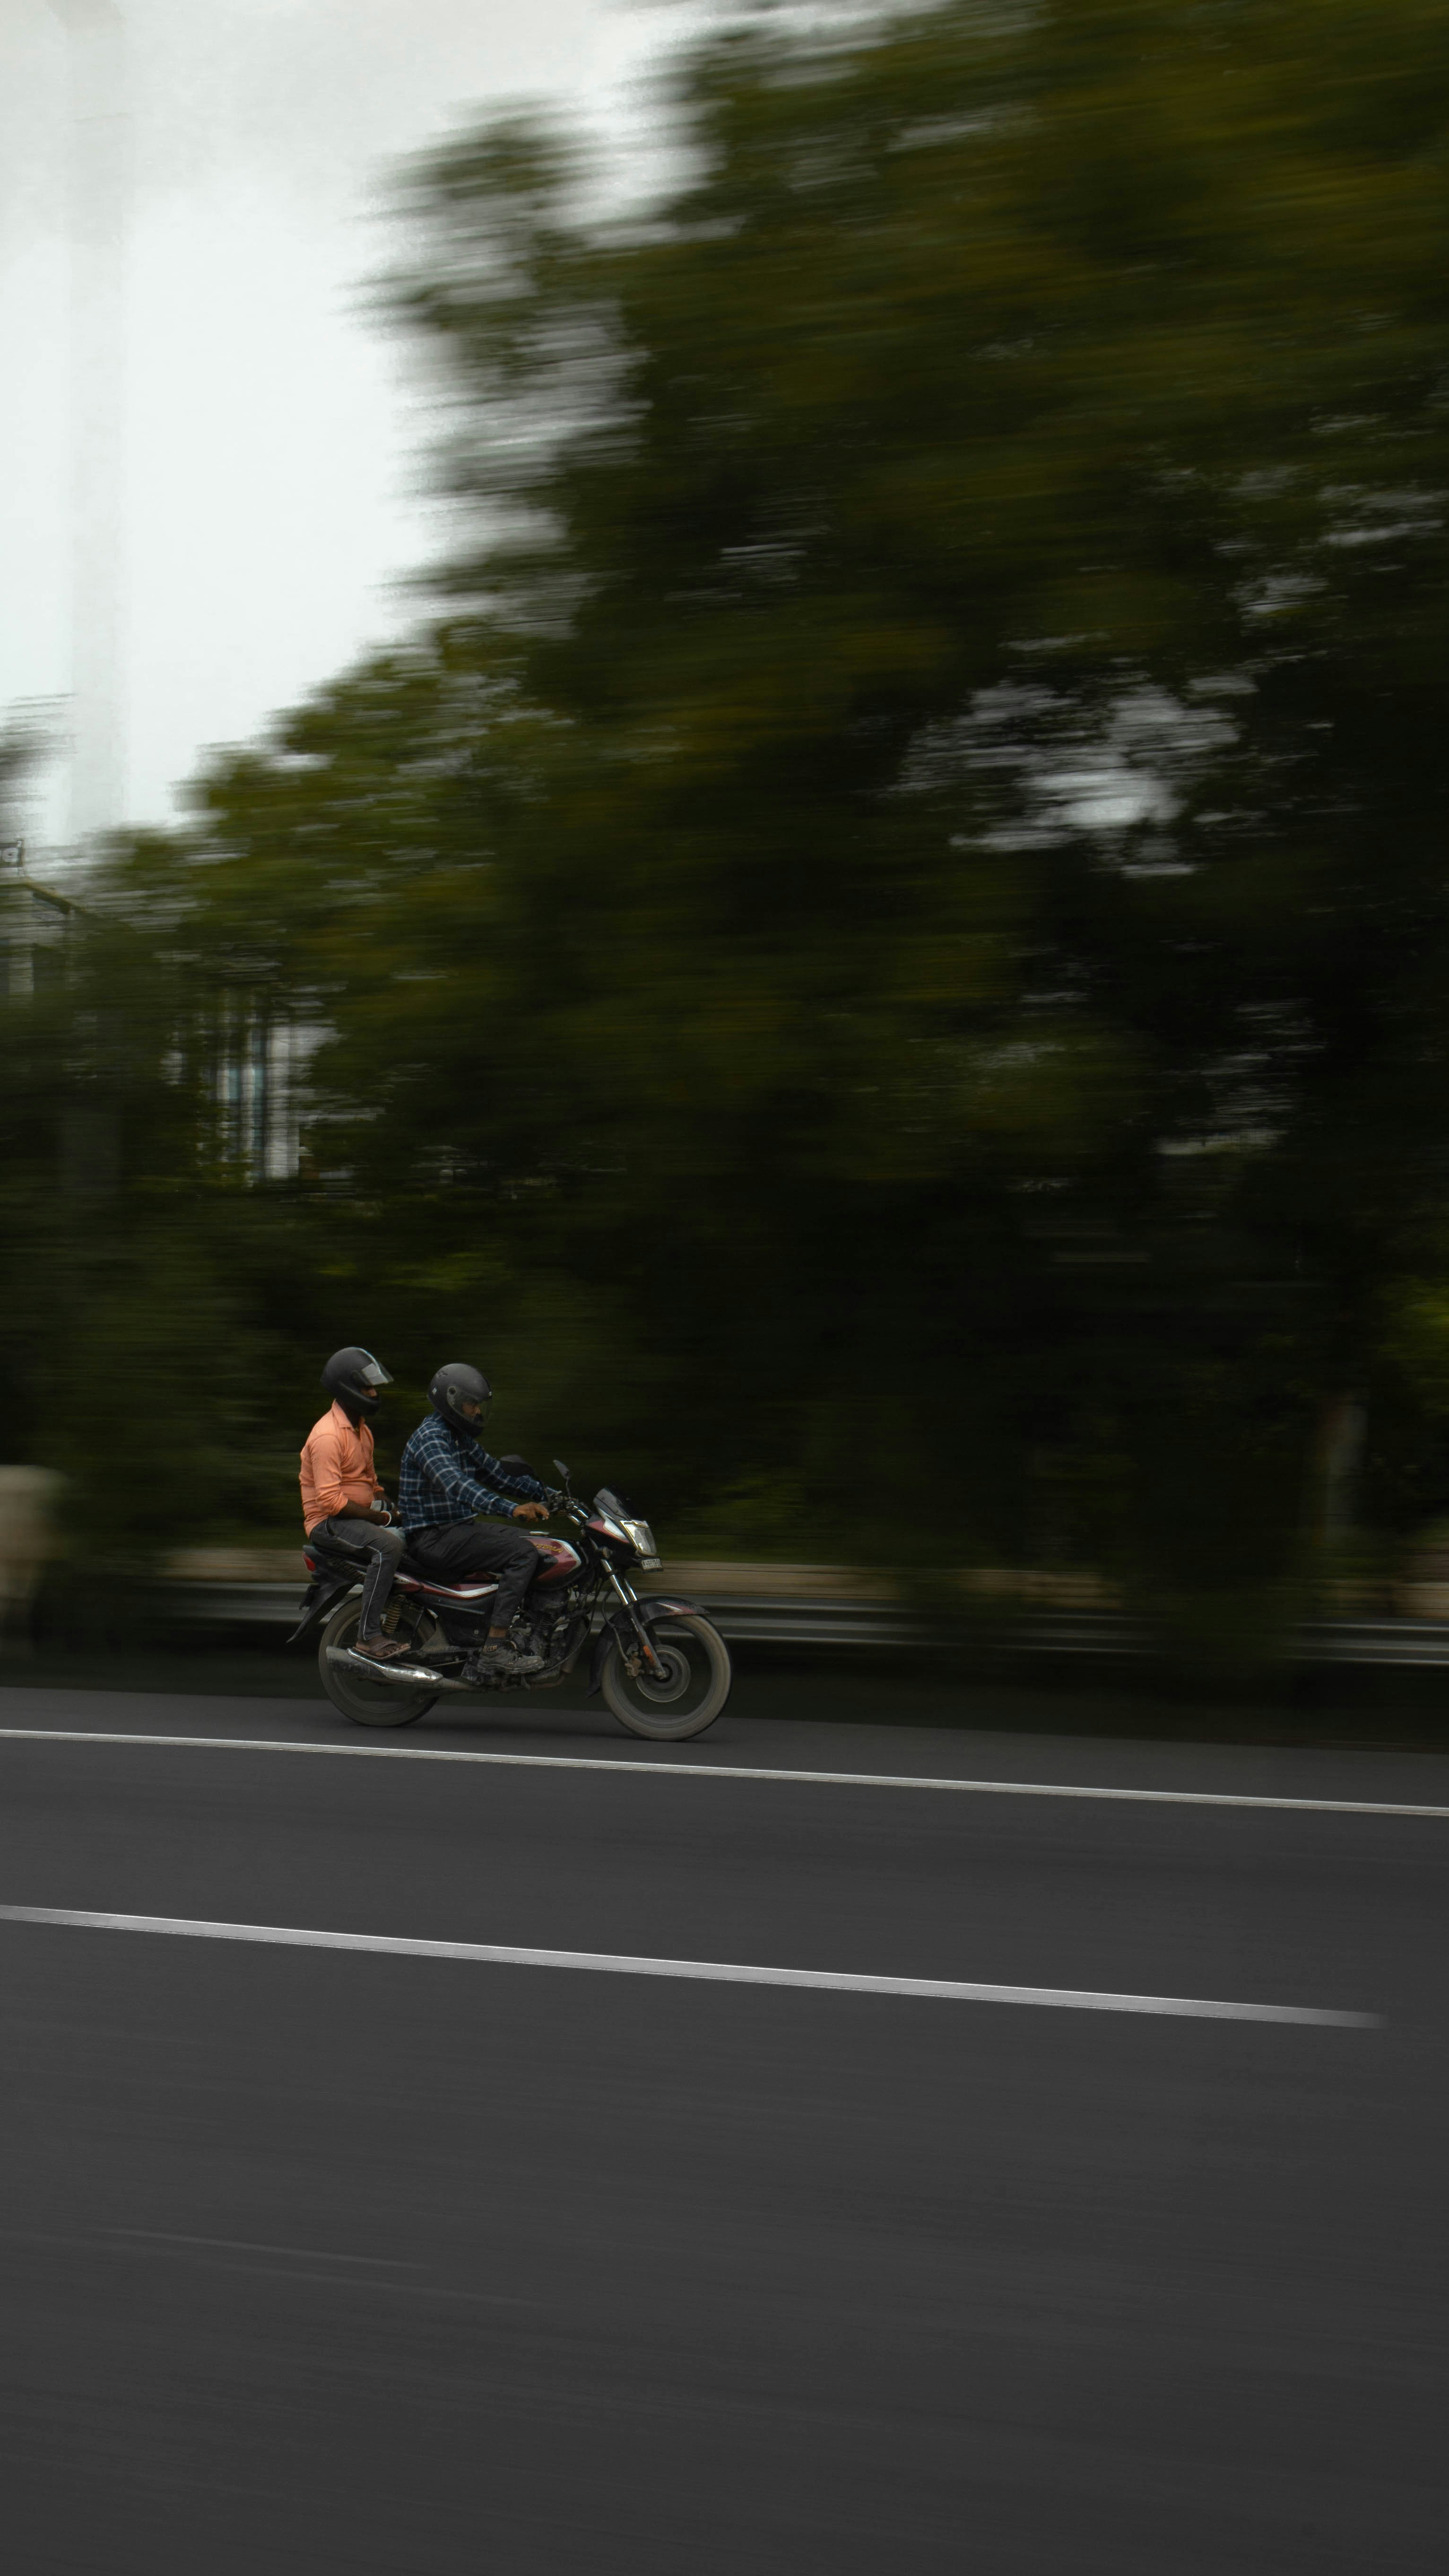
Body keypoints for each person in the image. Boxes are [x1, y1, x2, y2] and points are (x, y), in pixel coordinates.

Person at [399, 1362, 551, 1677]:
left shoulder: (458, 1437)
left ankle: (521, 1630)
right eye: (472, 1404)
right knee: (521, 1555)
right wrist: (511, 1509)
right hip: (434, 1538)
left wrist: (550, 1495)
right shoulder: (432, 1439)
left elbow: (495, 1474)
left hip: (456, 1530)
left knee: (539, 1546)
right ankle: (493, 1651)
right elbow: (458, 1485)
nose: (477, 1411)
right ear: (452, 1401)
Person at [300, 1347, 411, 1664]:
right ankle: (367, 1636)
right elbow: (331, 1502)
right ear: (346, 1389)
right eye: (367, 1388)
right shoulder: (328, 1436)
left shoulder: (362, 1431)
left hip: (355, 1515)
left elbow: (372, 1484)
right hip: (328, 1523)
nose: (374, 1393)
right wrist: (383, 1518)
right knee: (387, 1547)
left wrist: (403, 1512)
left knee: (420, 1533)